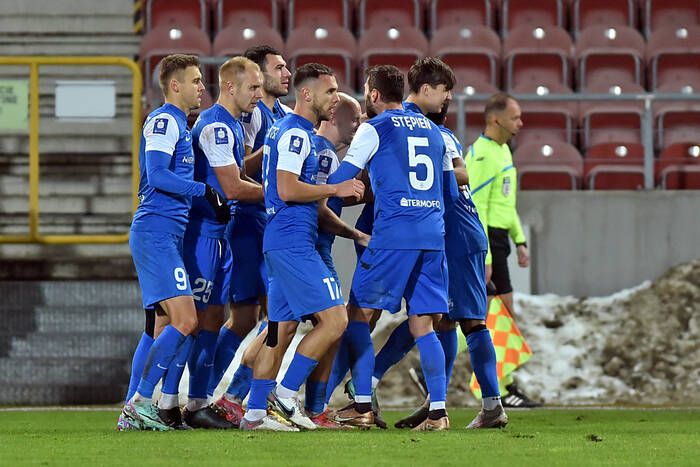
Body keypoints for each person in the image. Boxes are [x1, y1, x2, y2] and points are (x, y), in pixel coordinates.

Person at [328, 64, 455, 431]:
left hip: (393, 235)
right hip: (433, 236)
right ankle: (438, 413)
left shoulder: (374, 127)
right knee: (423, 325)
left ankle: (362, 406)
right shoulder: (436, 132)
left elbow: (342, 178)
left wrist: (311, 190)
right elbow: (447, 192)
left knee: (358, 316)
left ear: (373, 95)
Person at [239, 63, 364, 431]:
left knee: (280, 330)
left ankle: (255, 413)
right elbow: (288, 189)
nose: (335, 99)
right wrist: (334, 189)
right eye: (330, 92)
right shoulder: (296, 134)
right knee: (336, 319)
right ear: (306, 94)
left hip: (281, 240)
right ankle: (286, 393)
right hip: (294, 242)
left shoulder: (288, 130)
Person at [118, 54, 230, 431]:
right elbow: (159, 175)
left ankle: (136, 409)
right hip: (155, 233)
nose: (202, 87)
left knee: (162, 325)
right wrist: (205, 190)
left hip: (166, 234)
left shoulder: (180, 125)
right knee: (186, 320)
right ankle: (139, 404)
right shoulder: (165, 120)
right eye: (196, 80)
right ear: (175, 85)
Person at [157, 56, 264, 430]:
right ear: (231, 86)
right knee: (193, 322)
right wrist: (281, 195)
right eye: (253, 87)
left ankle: (196, 401)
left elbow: (232, 176)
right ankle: (167, 402)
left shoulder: (231, 125)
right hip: (201, 235)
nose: (258, 94)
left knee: (214, 319)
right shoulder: (216, 126)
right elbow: (232, 187)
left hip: (219, 237)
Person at [208, 45, 292, 421]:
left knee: (265, 315)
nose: (286, 73)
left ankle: (231, 395)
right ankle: (219, 395)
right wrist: (270, 153)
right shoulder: (248, 118)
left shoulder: (286, 115)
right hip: (249, 220)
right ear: (255, 77)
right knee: (256, 317)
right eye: (278, 68)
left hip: (269, 219)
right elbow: (236, 168)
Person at [465, 92, 540, 408]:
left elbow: (506, 204)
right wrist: (487, 256)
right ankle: (498, 387)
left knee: (501, 315)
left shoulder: (503, 151)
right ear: (496, 119)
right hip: (485, 242)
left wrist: (520, 240)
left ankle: (502, 384)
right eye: (515, 117)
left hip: (499, 240)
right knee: (485, 316)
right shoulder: (481, 155)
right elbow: (475, 206)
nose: (520, 123)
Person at [303, 93, 367, 428]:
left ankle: (311, 407)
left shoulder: (322, 151)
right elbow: (319, 209)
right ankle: (270, 399)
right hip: (307, 250)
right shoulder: (323, 153)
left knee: (327, 327)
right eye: (354, 118)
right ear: (334, 117)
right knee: (324, 324)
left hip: (311, 249)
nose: (358, 126)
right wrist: (356, 234)